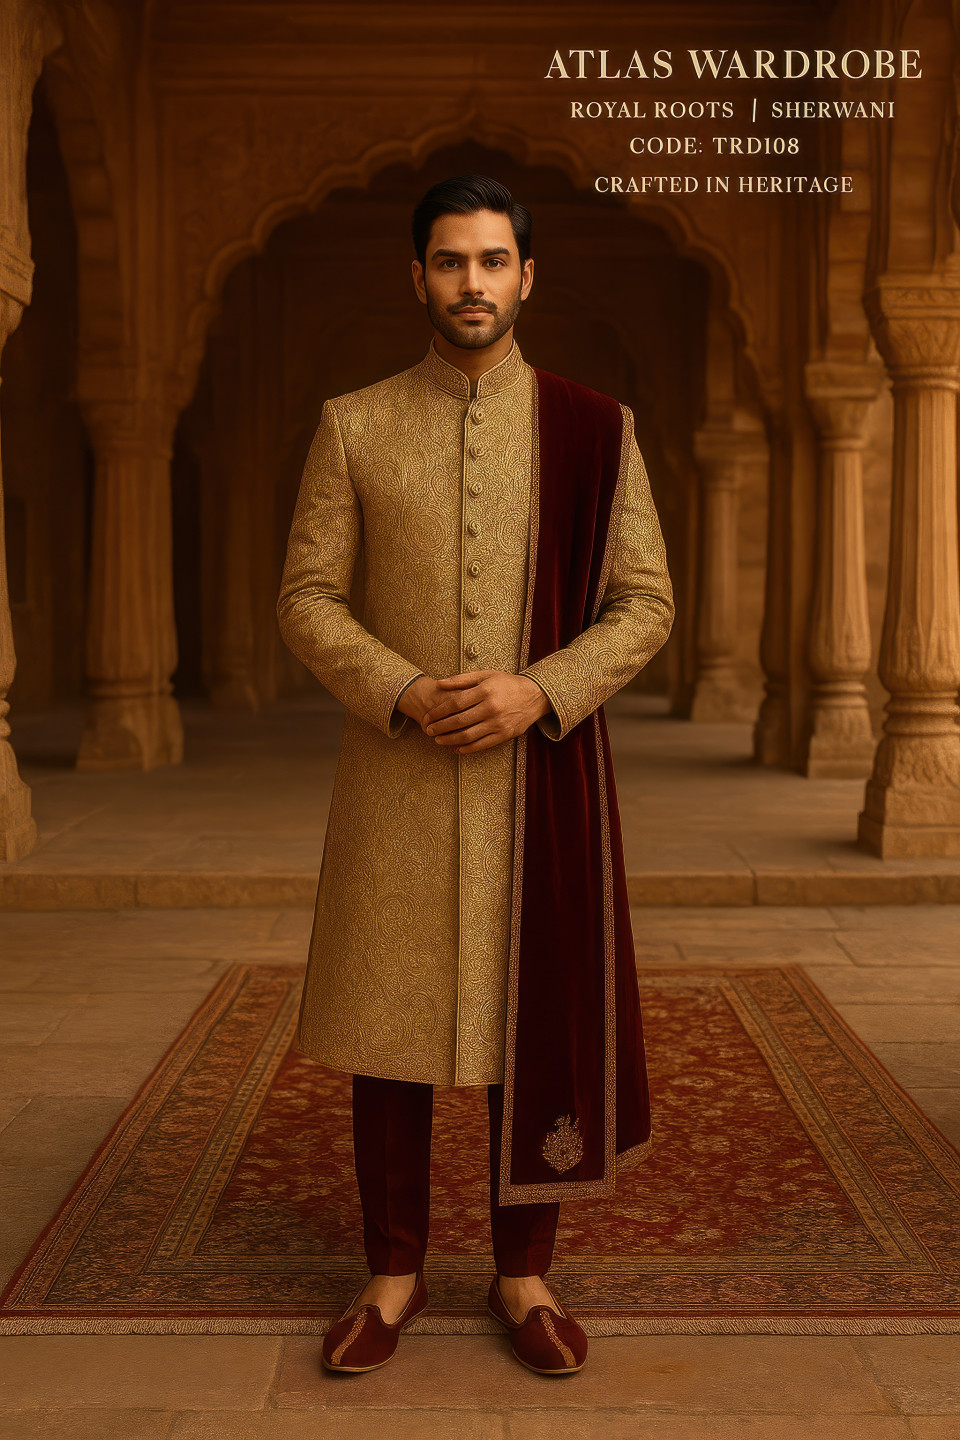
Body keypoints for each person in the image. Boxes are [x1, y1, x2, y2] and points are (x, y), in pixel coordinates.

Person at [276, 174, 674, 1376]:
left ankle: (524, 1275)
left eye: (493, 261)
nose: (472, 283)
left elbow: (646, 603)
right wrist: (401, 687)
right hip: (396, 776)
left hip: (535, 784)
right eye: (450, 261)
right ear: (418, 276)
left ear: (526, 277)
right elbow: (306, 598)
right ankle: (391, 1275)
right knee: (387, 1032)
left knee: (527, 1029)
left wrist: (539, 690)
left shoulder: (595, 429)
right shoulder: (354, 424)